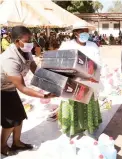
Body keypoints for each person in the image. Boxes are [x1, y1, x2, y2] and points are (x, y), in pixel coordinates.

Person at [0, 26, 55, 156]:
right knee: (9, 122)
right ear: (17, 41)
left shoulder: (25, 50)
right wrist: (44, 95)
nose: (31, 42)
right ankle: (2, 146)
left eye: (31, 38)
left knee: (19, 116)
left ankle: (17, 142)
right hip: (2, 89)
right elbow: (22, 87)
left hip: (10, 87)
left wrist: (52, 80)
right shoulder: (9, 59)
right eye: (27, 39)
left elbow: (34, 68)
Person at [57, 22, 102, 136]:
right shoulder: (66, 45)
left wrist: (92, 74)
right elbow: (60, 63)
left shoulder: (93, 46)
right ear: (75, 33)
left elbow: (98, 62)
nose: (85, 34)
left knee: (88, 102)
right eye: (82, 32)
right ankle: (72, 128)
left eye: (86, 32)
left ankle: (88, 126)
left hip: (89, 81)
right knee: (72, 104)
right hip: (72, 81)